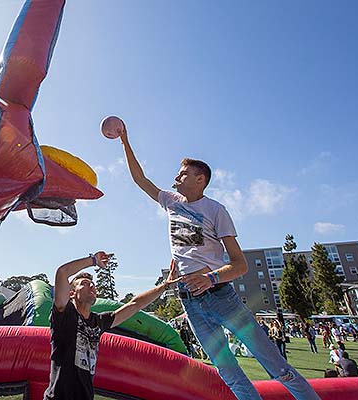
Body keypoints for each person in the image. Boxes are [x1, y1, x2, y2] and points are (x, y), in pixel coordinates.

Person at [119, 128, 320, 400]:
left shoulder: (216, 211)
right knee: (229, 373)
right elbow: (139, 178)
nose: (176, 177)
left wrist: (211, 278)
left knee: (276, 366)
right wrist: (125, 140)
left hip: (221, 298)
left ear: (200, 179)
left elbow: (240, 265)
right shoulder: (171, 202)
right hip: (189, 302)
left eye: (183, 173)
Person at [44, 251, 174, 400]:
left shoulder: (98, 322)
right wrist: (93, 260)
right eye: (84, 284)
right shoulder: (64, 315)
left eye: (92, 284)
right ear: (72, 293)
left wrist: (164, 286)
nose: (91, 285)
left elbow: (135, 304)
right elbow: (62, 272)